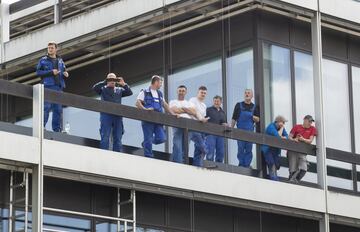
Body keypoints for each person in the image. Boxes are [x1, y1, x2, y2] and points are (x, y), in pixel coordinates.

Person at [92, 73, 133, 152]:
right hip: (106, 115)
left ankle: (117, 154)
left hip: (117, 116)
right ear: (107, 80)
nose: (113, 81)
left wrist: (124, 84)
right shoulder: (103, 89)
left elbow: (129, 92)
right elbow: (94, 88)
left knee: (118, 137)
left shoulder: (119, 90)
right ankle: (104, 153)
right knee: (105, 135)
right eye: (111, 79)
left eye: (114, 79)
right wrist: (105, 82)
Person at [136, 75, 173, 158]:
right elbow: (137, 103)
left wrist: (172, 113)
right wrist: (145, 109)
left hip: (158, 120)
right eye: (160, 83)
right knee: (148, 138)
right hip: (148, 120)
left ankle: (145, 143)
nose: (161, 85)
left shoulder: (159, 93)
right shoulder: (145, 92)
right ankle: (149, 156)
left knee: (162, 138)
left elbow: (164, 104)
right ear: (155, 82)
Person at [36, 41, 69, 132]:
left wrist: (65, 74)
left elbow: (63, 71)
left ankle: (57, 129)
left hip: (59, 87)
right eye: (49, 48)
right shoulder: (43, 60)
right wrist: (51, 72)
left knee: (58, 109)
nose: (50, 49)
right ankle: (41, 126)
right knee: (46, 107)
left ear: (56, 49)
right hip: (48, 86)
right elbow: (38, 73)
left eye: (52, 48)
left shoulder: (60, 60)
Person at [169, 85, 204, 163]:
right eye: (180, 90)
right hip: (177, 125)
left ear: (186, 92)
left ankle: (183, 163)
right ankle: (178, 163)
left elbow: (194, 112)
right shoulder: (173, 101)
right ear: (177, 91)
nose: (181, 92)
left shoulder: (189, 103)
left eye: (183, 91)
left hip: (188, 127)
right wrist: (186, 110)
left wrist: (181, 109)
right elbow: (173, 110)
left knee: (185, 147)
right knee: (177, 145)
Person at [231, 89, 260, 167]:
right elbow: (234, 118)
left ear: (252, 96)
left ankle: (247, 165)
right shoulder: (238, 105)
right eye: (245, 93)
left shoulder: (254, 107)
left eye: (248, 93)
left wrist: (251, 116)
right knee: (240, 148)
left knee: (248, 149)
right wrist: (231, 129)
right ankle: (241, 164)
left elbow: (258, 119)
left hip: (250, 132)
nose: (247, 94)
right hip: (240, 131)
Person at [287, 115, 317, 183]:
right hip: (293, 150)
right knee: (293, 167)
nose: (310, 123)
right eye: (309, 121)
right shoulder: (297, 127)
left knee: (304, 168)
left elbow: (310, 140)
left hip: (302, 151)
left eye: (311, 122)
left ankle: (295, 180)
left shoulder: (312, 129)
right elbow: (289, 137)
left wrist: (303, 139)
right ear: (304, 120)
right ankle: (291, 180)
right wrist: (295, 139)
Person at [262, 115, 288, 181]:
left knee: (277, 164)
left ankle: (274, 177)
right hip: (268, 149)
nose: (283, 124)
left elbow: (287, 136)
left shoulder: (281, 128)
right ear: (278, 122)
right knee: (271, 163)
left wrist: (283, 135)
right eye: (283, 122)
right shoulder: (271, 127)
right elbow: (277, 136)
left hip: (276, 150)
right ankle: (274, 178)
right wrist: (281, 132)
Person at [189, 86, 209, 166]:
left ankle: (197, 165)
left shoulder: (204, 105)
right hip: (193, 126)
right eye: (201, 92)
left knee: (199, 149)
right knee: (203, 147)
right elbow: (192, 111)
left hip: (201, 128)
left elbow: (203, 117)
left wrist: (204, 119)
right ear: (198, 92)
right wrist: (200, 118)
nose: (203, 94)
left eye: (204, 93)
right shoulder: (193, 100)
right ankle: (207, 152)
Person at [205, 95, 227, 163]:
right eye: (215, 101)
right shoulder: (208, 110)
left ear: (221, 102)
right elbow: (204, 119)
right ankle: (209, 164)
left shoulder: (223, 112)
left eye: (218, 101)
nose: (216, 102)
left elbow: (224, 123)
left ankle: (219, 167)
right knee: (210, 151)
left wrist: (226, 124)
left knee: (221, 152)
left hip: (220, 135)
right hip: (210, 134)